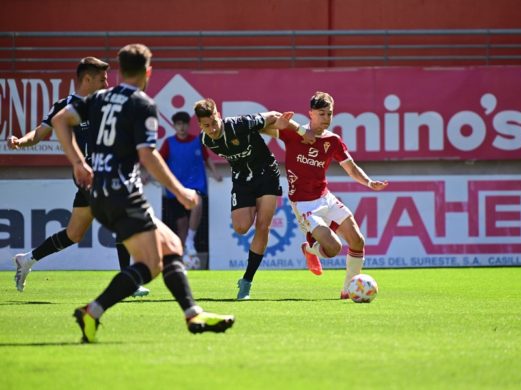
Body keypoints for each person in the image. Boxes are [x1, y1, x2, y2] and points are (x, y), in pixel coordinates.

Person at [52, 43, 234, 343]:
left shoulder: (98, 98)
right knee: (150, 263)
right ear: (148, 71)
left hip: (99, 193)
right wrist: (181, 192)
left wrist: (78, 163)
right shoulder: (142, 104)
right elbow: (148, 155)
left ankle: (192, 313)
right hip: (123, 191)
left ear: (120, 70)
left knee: (171, 245)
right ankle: (92, 312)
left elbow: (60, 120)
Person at [7, 57, 150, 298]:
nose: (107, 82)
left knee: (74, 234)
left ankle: (27, 259)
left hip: (108, 172)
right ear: (87, 79)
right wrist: (20, 141)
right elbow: (40, 133)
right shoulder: (65, 106)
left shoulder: (108, 102)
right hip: (88, 173)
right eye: (102, 78)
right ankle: (129, 282)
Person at [263, 91, 388, 299]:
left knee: (358, 240)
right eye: (321, 114)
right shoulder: (294, 134)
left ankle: (348, 291)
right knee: (333, 248)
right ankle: (311, 250)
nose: (326, 119)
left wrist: (368, 182)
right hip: (303, 205)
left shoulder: (333, 141)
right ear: (310, 113)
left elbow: (351, 167)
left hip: (325, 197)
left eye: (330, 114)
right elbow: (261, 125)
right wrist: (287, 125)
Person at [194, 99, 305, 300]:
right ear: (200, 125)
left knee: (263, 226)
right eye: (205, 126)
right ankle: (251, 216)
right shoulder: (206, 140)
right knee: (241, 227)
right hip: (242, 180)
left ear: (218, 116)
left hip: (266, 174)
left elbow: (270, 115)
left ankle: (247, 281)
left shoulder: (239, 124)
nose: (211, 129)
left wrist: (290, 127)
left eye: (213, 123)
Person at [159, 111, 222, 266]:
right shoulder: (168, 143)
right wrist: (147, 175)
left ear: (188, 125)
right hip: (176, 190)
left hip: (196, 185)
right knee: (182, 226)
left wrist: (215, 174)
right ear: (174, 126)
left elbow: (207, 159)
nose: (182, 127)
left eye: (184, 124)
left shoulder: (197, 141)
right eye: (178, 124)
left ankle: (190, 240)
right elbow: (158, 161)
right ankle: (181, 259)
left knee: (197, 202)